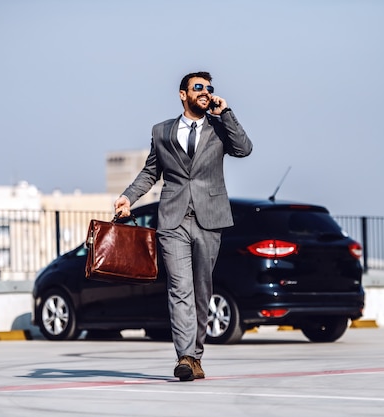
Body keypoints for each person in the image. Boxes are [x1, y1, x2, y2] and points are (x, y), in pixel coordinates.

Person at [114, 71, 252, 381]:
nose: (206, 92)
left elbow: (244, 148)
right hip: (172, 218)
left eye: (209, 88)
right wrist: (127, 198)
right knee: (179, 289)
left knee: (202, 290)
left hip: (210, 217)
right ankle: (185, 357)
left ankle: (196, 353)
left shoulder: (219, 129)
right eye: (198, 87)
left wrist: (226, 112)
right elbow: (151, 172)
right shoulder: (161, 131)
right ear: (183, 94)